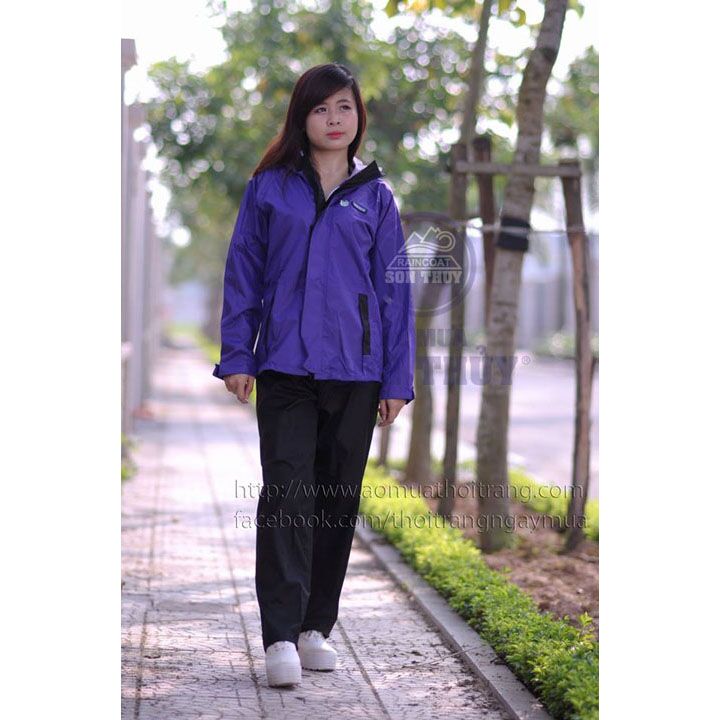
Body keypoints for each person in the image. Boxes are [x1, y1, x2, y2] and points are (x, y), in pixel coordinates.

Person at [212, 62, 415, 688]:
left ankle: (313, 628)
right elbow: (243, 271)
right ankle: (279, 635)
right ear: (302, 118)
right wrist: (238, 354)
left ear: (359, 118)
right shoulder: (269, 188)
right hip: (285, 366)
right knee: (287, 492)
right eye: (321, 108)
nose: (334, 119)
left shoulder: (377, 197)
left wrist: (396, 380)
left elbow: (395, 295)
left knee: (335, 499)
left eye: (344, 107)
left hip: (356, 372)